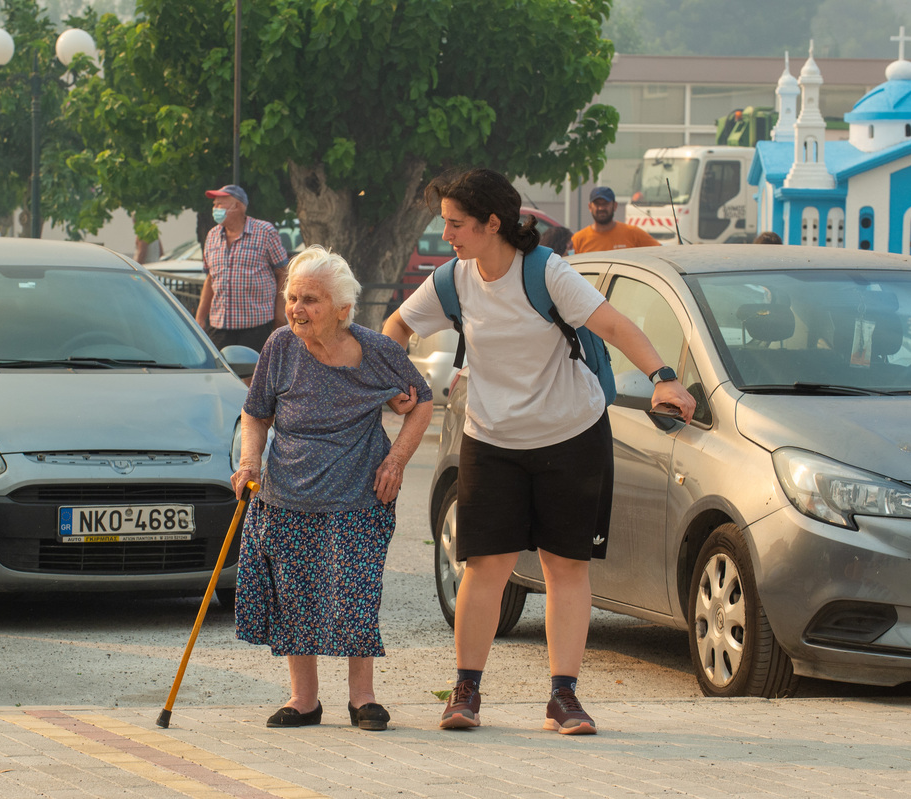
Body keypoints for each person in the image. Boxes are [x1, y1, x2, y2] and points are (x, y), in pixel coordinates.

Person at [382, 168, 694, 736]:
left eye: (456, 224)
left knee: (564, 566)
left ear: (491, 223)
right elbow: (396, 326)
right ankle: (466, 692)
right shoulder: (453, 279)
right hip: (491, 440)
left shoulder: (546, 271)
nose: (445, 234)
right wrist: (397, 377)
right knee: (485, 567)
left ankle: (563, 697)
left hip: (570, 436)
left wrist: (664, 377)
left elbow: (615, 324)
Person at [231, 245, 434, 731]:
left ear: (343, 310)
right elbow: (256, 413)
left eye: (311, 300)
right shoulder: (280, 346)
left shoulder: (378, 351)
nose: (297, 309)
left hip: (358, 495)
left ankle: (362, 698)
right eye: (293, 297)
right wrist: (249, 459)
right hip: (286, 493)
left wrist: (397, 460)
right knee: (295, 595)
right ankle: (304, 700)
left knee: (355, 592)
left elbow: (422, 402)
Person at [194, 184, 290, 351]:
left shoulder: (264, 232)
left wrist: (279, 312)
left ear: (237, 206)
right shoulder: (212, 236)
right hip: (220, 324)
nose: (215, 209)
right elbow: (210, 279)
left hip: (256, 324)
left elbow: (283, 272)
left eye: (219, 205)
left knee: (253, 374)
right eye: (214, 205)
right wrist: (200, 318)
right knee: (223, 373)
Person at [570, 187, 659, 253]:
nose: (601, 208)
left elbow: (661, 253)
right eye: (597, 204)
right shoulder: (578, 240)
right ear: (590, 207)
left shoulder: (633, 233)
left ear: (615, 206)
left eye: (605, 204)